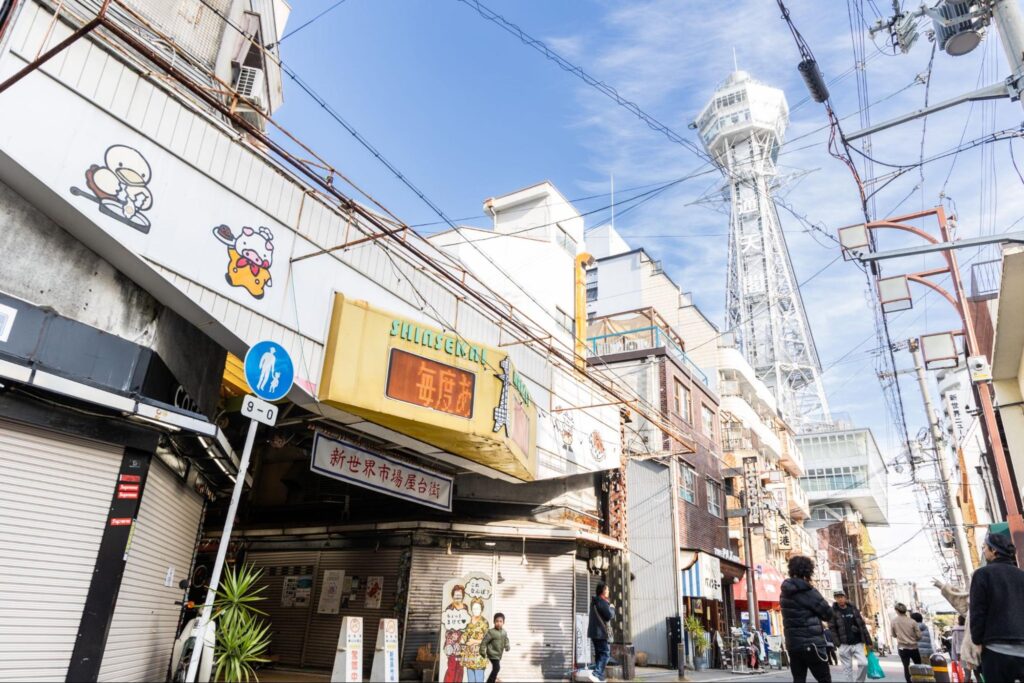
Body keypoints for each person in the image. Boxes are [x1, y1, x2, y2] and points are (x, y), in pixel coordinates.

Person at [969, 531, 1024, 682]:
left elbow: (978, 612)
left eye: (984, 548)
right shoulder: (1021, 575)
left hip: (996, 649)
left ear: (994, 550)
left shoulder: (982, 574)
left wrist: (977, 640)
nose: (983, 551)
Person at [780, 555, 833, 683]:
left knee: (798, 679)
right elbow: (827, 614)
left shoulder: (785, 592)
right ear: (808, 571)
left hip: (793, 644)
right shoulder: (808, 591)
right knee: (824, 679)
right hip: (812, 644)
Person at [829, 589, 873, 683]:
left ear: (845, 597)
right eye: (837, 597)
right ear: (835, 599)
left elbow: (862, 625)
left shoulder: (853, 608)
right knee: (847, 670)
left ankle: (859, 681)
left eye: (841, 597)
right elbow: (832, 629)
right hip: (844, 644)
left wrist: (868, 641)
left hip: (857, 642)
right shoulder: (833, 611)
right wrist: (838, 644)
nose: (840, 599)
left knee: (864, 663)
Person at [587, 582, 614, 683]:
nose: (608, 591)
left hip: (595, 633)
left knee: (599, 655)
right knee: (606, 654)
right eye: (606, 589)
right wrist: (612, 608)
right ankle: (596, 674)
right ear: (602, 590)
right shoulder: (601, 601)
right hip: (601, 633)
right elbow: (609, 616)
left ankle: (599, 677)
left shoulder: (595, 601)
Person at [442, 585, 470, 683]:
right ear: (453, 595)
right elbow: (446, 625)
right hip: (452, 642)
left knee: (460, 667)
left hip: (462, 642)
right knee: (452, 667)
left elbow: (467, 623)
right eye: (456, 595)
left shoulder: (465, 607)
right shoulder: (449, 608)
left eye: (460, 595)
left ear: (463, 596)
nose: (458, 597)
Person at [459, 598, 490, 683]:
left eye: (478, 608)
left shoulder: (484, 622)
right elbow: (466, 633)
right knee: (471, 679)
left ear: (481, 609)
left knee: (479, 678)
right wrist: (462, 639)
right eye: (474, 608)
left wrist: (474, 641)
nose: (475, 610)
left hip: (479, 654)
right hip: (469, 654)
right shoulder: (469, 620)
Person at [891, 603, 921, 683]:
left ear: (897, 611)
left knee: (906, 667)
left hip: (902, 647)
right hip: (914, 647)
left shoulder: (894, 621)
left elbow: (893, 635)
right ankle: (919, 680)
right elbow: (919, 636)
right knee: (918, 666)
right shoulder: (912, 621)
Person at [480, 612, 510, 683]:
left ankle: (494, 679)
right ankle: (490, 681)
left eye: (500, 621)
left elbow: (506, 640)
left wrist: (507, 646)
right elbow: (484, 642)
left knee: (495, 668)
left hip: (498, 654)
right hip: (492, 653)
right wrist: (482, 651)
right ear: (494, 622)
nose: (498, 623)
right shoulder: (491, 632)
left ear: (503, 622)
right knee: (497, 668)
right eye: (497, 621)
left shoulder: (504, 632)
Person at [950, 615, 970, 683]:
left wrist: (954, 658)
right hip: (972, 653)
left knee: (967, 674)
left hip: (962, 654)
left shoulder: (956, 631)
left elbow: (953, 645)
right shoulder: (970, 628)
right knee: (978, 674)